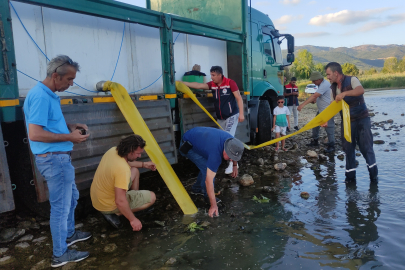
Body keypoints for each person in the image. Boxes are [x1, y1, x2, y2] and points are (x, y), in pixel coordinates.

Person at [23, 55, 91, 267]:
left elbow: (47, 124)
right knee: (61, 207)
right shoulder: (41, 96)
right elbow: (35, 133)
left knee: (71, 198)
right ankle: (60, 254)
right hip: (54, 160)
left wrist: (70, 125)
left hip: (58, 159)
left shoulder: (48, 94)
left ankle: (69, 234)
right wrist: (70, 137)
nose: (71, 84)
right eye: (69, 79)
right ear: (55, 76)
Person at [178, 66, 244, 175]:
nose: (211, 77)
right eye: (211, 75)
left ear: (219, 75)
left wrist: (241, 113)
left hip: (232, 115)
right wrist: (184, 83)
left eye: (213, 75)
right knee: (221, 139)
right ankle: (225, 160)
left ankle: (233, 165)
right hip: (220, 118)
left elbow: (238, 98)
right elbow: (199, 85)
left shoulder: (230, 83)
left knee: (227, 138)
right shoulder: (212, 85)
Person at [325, 62, 378, 183]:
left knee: (366, 148)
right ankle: (350, 179)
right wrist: (326, 121)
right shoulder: (332, 88)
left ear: (336, 73)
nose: (327, 77)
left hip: (362, 119)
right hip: (347, 122)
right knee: (348, 149)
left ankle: (374, 178)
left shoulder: (352, 79)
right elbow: (332, 107)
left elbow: (360, 90)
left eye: (328, 74)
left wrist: (344, 94)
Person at [90, 135, 156, 231]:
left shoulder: (113, 151)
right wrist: (133, 220)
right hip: (108, 205)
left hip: (98, 199)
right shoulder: (122, 170)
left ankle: (133, 200)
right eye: (138, 153)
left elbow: (126, 163)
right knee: (152, 197)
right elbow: (119, 201)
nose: (139, 156)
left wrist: (144, 164)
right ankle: (117, 213)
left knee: (135, 171)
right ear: (130, 150)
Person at [179, 127, 244, 217]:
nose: (230, 159)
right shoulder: (215, 154)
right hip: (187, 145)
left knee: (207, 166)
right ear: (225, 149)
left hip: (197, 138)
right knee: (206, 169)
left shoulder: (231, 141)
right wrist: (214, 205)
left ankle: (196, 189)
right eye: (229, 157)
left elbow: (235, 154)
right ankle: (207, 197)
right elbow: (208, 180)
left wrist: (234, 166)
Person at [297, 71, 335, 153]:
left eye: (314, 81)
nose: (313, 82)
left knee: (329, 128)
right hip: (321, 111)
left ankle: (331, 146)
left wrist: (302, 105)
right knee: (315, 125)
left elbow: (315, 95)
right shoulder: (321, 85)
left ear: (319, 79)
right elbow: (318, 97)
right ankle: (315, 141)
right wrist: (314, 101)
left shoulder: (325, 84)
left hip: (327, 111)